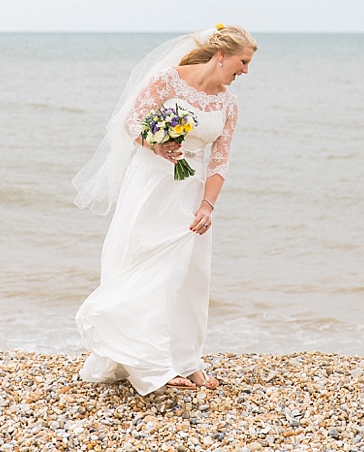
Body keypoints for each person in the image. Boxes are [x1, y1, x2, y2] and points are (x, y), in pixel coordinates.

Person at [72, 24, 257, 395]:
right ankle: (151, 365)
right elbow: (131, 122)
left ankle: (186, 359)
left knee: (191, 274)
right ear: (221, 56)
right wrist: (157, 144)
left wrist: (208, 205)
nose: (245, 71)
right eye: (243, 62)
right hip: (153, 183)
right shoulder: (167, 80)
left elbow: (220, 160)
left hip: (191, 192)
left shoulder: (228, 103)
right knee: (154, 265)